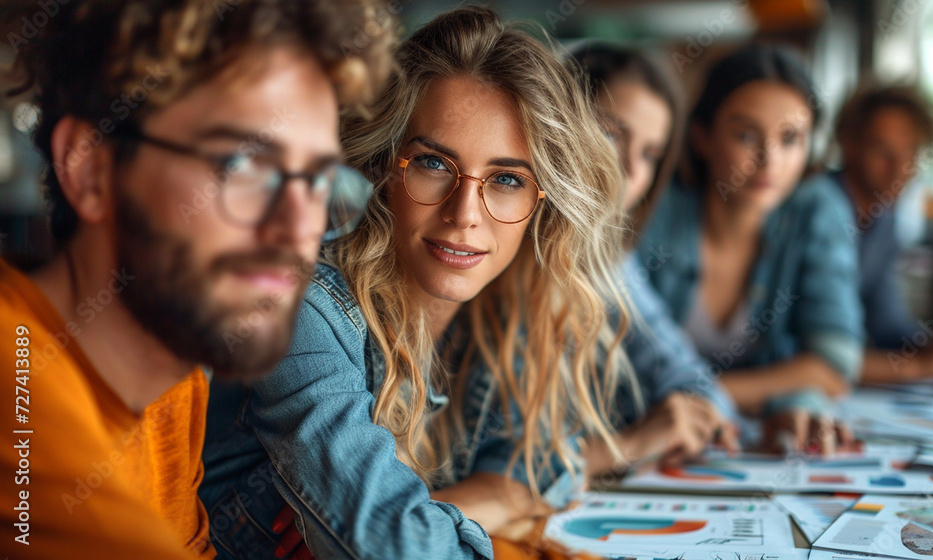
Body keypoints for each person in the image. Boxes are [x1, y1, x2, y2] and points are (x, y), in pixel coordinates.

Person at [200, 7, 634, 559]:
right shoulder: (303, 311)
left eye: (506, 179)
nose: (464, 214)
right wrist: (484, 504)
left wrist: (455, 504)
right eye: (433, 164)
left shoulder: (506, 306)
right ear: (385, 166)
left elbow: (546, 465)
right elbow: (400, 549)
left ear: (541, 202)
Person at [0, 0, 391, 557]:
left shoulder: (174, 376)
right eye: (244, 166)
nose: (297, 227)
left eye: (318, 181)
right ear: (90, 170)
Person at [637, 44, 863, 454]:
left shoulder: (817, 209)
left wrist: (701, 397)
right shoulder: (653, 208)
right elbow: (617, 363)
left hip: (718, 435)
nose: (769, 161)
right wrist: (773, 389)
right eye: (745, 135)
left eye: (791, 139)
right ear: (702, 137)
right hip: (657, 438)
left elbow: (833, 364)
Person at [568, 43, 739, 476]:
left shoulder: (609, 262)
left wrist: (694, 416)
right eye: (611, 134)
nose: (631, 169)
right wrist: (628, 445)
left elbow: (696, 382)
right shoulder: (491, 256)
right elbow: (501, 470)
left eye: (649, 154)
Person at [825, 85, 933, 383]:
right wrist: (919, 366)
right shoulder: (822, 206)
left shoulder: (883, 221)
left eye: (910, 152)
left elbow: (887, 324)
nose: (899, 168)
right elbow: (823, 350)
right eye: (882, 151)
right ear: (848, 144)